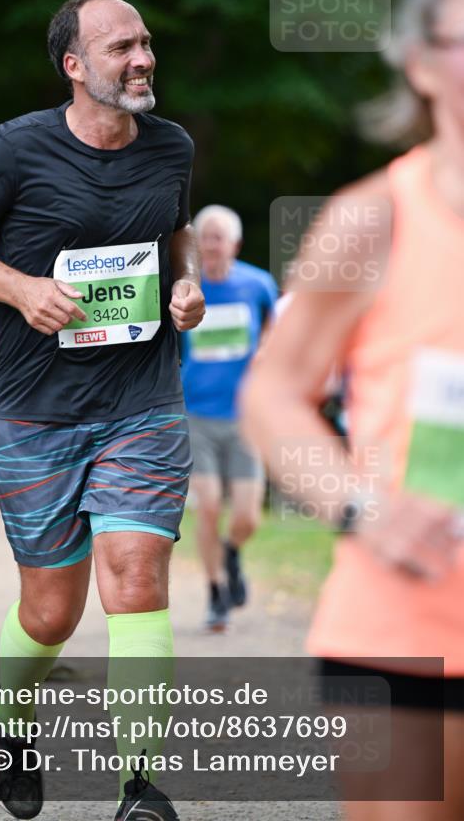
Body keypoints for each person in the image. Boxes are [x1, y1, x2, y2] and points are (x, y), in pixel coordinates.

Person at [0, 0, 205, 820]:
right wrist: (19, 290)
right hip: (35, 408)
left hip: (142, 400)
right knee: (51, 610)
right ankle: (14, 720)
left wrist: (183, 285)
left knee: (136, 575)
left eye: (145, 42)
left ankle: (139, 789)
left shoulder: (171, 147)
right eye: (120, 48)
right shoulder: (13, 150)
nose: (142, 58)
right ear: (74, 66)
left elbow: (174, 229)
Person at [244, 0, 464, 820]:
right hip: (403, 628)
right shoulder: (370, 220)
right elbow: (272, 392)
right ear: (419, 64)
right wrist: (361, 505)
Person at [181, 204, 277, 631]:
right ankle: (216, 591)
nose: (212, 244)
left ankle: (232, 551)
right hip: (196, 414)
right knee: (208, 506)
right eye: (206, 236)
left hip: (245, 418)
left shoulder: (258, 285)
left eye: (220, 237)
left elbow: (276, 334)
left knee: (247, 517)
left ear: (235, 244)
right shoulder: (185, 289)